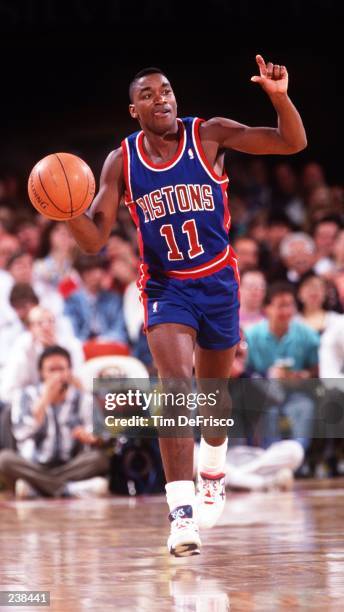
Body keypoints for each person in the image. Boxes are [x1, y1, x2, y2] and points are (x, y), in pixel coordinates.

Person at [65, 57, 307, 557]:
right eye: (149, 94)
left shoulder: (210, 134)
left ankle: (213, 470)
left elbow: (292, 143)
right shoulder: (121, 161)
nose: (163, 99)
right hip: (166, 288)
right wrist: (67, 211)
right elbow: (93, 240)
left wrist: (280, 97)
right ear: (134, 110)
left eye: (167, 89)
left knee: (213, 399)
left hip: (218, 281)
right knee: (175, 389)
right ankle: (180, 514)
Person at [0, 346, 109, 499]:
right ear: (41, 373)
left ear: (70, 372)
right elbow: (20, 433)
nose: (57, 375)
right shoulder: (25, 396)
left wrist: (91, 436)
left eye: (62, 369)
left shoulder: (83, 398)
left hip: (71, 464)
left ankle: (37, 488)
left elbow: (98, 434)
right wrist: (44, 402)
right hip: (33, 464)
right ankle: (70, 489)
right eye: (52, 370)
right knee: (4, 460)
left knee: (100, 459)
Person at [245, 282, 319, 450]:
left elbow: (317, 368)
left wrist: (306, 375)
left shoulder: (307, 334)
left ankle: (296, 456)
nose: (286, 312)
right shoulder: (251, 335)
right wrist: (266, 374)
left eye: (290, 305)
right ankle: (269, 458)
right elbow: (244, 371)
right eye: (280, 306)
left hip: (296, 393)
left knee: (305, 407)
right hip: (262, 394)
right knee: (266, 411)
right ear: (267, 308)